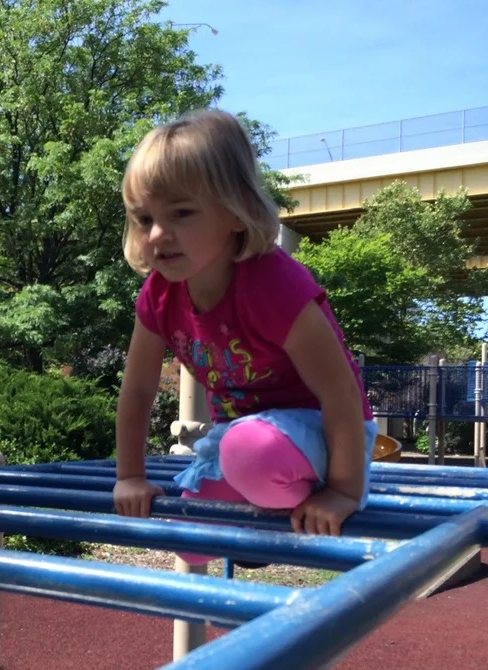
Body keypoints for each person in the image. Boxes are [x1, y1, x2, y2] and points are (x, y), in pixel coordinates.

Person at [112, 109, 377, 565]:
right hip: (243, 442)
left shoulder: (274, 285)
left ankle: (277, 503)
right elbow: (137, 391)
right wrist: (130, 476)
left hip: (325, 435)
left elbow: (340, 391)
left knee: (249, 451)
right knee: (188, 542)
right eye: (143, 218)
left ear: (235, 212)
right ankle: (262, 510)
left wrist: (343, 490)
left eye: (181, 213)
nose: (157, 234)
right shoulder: (158, 295)